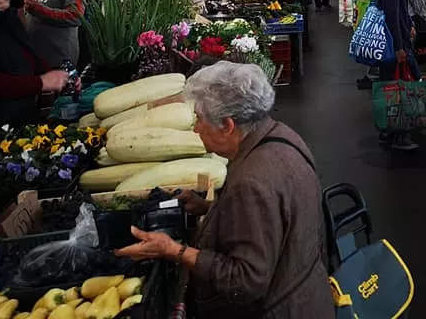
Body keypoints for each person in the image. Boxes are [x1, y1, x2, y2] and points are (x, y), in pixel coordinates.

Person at [116, 62, 334, 319]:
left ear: (228, 125)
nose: (196, 128)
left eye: (200, 119)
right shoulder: (282, 136)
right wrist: (209, 207)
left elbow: (246, 281)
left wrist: (173, 250)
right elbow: (271, 222)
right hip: (307, 294)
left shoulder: (251, 182)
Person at [0, 0, 74, 126]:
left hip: (21, 116)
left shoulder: (6, 17)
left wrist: (59, 76)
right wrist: (42, 82)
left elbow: (27, 53)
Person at [375, 0, 426, 151]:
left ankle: (389, 131)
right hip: (396, 43)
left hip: (398, 40)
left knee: (392, 85)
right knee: (401, 87)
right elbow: (391, 18)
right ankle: (400, 135)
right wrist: (399, 48)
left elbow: (399, 13)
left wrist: (410, 23)